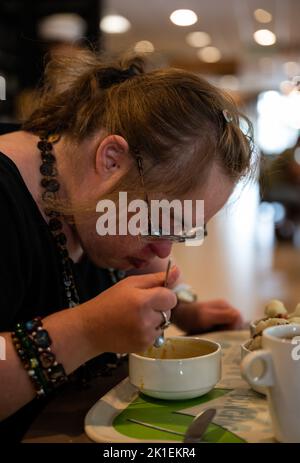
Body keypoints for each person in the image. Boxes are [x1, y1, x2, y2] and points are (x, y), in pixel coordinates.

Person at [0, 48, 253, 440]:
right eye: (159, 224)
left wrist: (181, 309)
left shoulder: (91, 203)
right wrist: (84, 331)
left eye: (182, 231)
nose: (164, 251)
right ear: (112, 159)